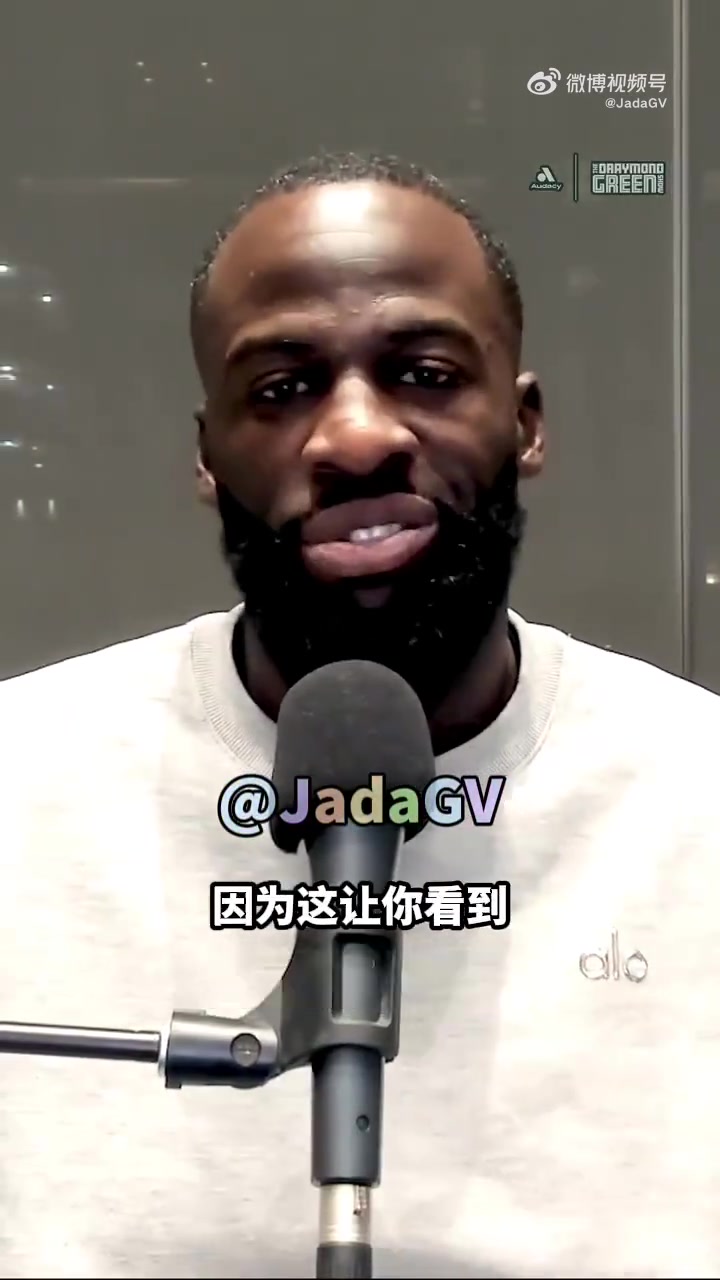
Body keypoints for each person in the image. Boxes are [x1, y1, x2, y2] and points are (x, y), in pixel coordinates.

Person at [0, 151, 718, 1280]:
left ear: (525, 422)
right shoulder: (19, 783)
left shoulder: (696, 792)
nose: (355, 437)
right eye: (281, 390)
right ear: (207, 457)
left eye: (425, 373)